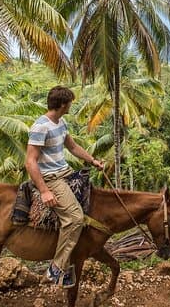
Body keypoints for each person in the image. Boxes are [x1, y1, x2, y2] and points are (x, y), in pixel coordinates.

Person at [25, 86, 105, 288]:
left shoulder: (61, 122)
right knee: (75, 218)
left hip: (65, 172)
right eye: (70, 102)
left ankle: (71, 265)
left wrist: (92, 160)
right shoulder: (41, 127)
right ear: (62, 104)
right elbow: (30, 162)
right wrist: (44, 191)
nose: (71, 105)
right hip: (51, 178)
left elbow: (73, 147)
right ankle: (56, 268)